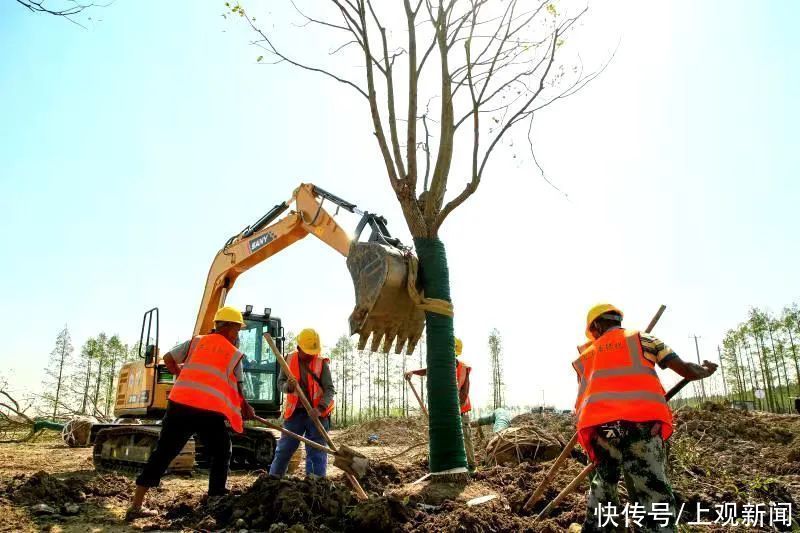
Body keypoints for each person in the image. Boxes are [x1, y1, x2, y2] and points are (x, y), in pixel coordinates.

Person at [574, 304, 717, 533]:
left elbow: (581, 399)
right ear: (617, 321)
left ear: (597, 326)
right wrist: (704, 370)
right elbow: (686, 370)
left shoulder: (586, 355)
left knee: (603, 483)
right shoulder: (644, 339)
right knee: (651, 487)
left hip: (602, 428)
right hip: (641, 425)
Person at [125, 306, 256, 520]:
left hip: (180, 405)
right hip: (209, 411)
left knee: (164, 452)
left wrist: (182, 374)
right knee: (222, 451)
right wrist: (246, 407)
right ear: (230, 327)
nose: (237, 334)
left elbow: (168, 358)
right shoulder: (234, 354)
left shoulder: (196, 342)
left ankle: (136, 506)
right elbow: (238, 388)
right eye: (237, 329)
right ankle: (216, 496)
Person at [269, 328, 335, 478]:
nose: (311, 355)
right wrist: (289, 387)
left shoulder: (321, 363)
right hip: (295, 414)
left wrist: (320, 408)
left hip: (317, 415)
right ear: (298, 348)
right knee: (284, 449)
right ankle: (272, 481)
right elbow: (280, 384)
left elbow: (329, 389)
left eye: (313, 352)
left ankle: (315, 485)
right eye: (308, 352)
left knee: (316, 451)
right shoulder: (289, 360)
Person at [406, 336, 476, 471]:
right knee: (444, 438)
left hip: (461, 411)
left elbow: (464, 392)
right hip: (446, 411)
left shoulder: (464, 368)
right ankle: (446, 465)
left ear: (454, 351)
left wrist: (454, 410)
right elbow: (429, 370)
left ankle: (472, 467)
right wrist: (413, 372)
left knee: (465, 438)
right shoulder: (441, 365)